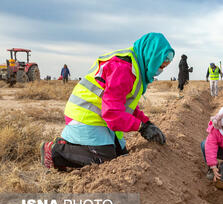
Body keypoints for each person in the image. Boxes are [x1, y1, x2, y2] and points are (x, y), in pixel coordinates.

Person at [40, 33, 174, 170]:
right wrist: (141, 127)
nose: (159, 71)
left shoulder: (136, 67)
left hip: (99, 116)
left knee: (121, 155)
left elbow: (125, 104)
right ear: (151, 57)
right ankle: (56, 151)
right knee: (106, 159)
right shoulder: (124, 68)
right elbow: (112, 113)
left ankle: (71, 145)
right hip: (85, 115)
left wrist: (146, 123)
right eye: (160, 66)